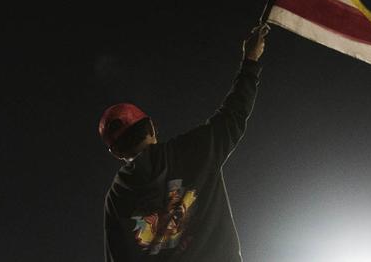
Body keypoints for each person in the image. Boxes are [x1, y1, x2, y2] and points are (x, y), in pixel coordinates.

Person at [99, 25, 269, 261]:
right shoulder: (192, 149)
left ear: (117, 152)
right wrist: (250, 61)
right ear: (151, 127)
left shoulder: (117, 198)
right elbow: (234, 112)